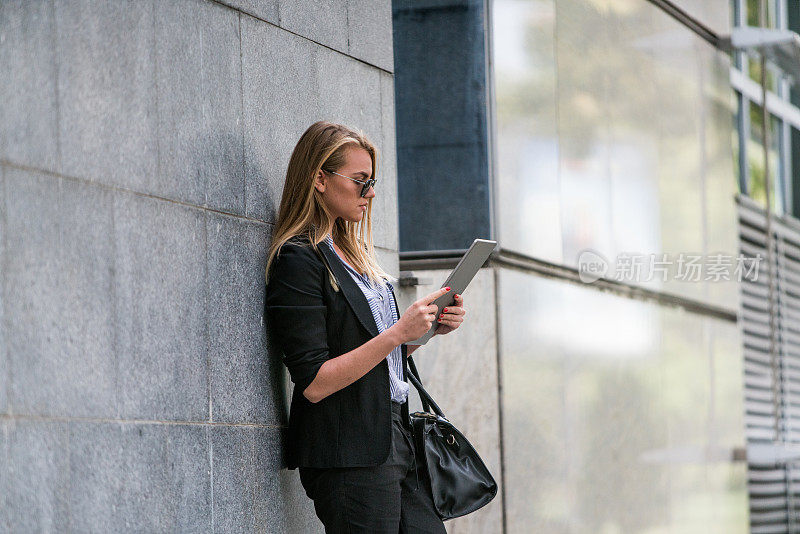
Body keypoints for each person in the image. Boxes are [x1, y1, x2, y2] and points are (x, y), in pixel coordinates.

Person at [264, 121, 466, 533]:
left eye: (371, 181)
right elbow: (316, 382)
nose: (370, 193)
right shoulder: (299, 260)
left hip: (394, 435)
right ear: (319, 179)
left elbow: (371, 356)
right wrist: (396, 333)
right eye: (359, 181)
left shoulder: (355, 257)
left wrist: (424, 331)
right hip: (349, 454)